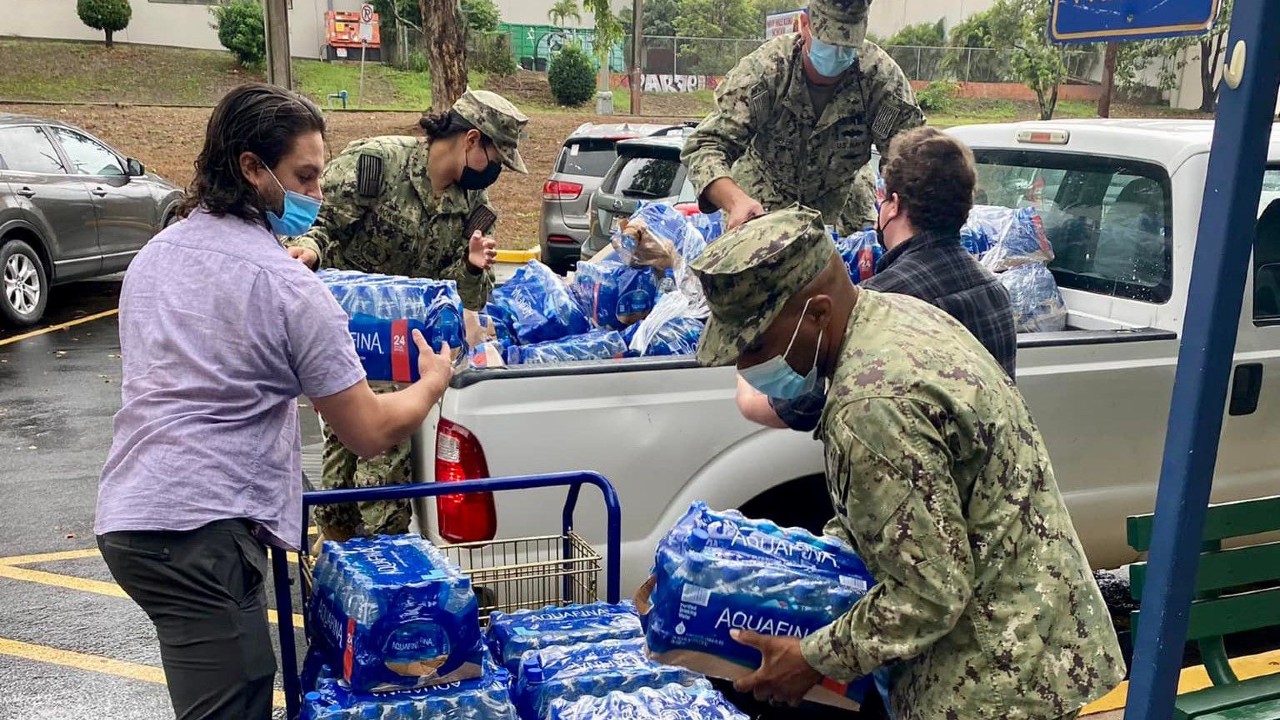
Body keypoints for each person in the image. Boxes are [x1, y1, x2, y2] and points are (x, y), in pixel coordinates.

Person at [95, 83, 455, 720]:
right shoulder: (288, 286)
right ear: (252, 169)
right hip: (198, 530)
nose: (316, 194)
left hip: (133, 510)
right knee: (235, 700)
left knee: (233, 680)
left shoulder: (154, 256)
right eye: (304, 176)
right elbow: (369, 430)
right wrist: (430, 385)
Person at [689, 206, 1125, 720]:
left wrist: (810, 659)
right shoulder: (895, 316)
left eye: (755, 345)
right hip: (1042, 637)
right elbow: (905, 514)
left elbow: (930, 592)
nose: (745, 366)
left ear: (819, 312)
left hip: (991, 682)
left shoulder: (871, 406)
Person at [283, 89, 528, 543]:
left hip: (405, 359)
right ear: (472, 140)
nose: (497, 171)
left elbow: (465, 297)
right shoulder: (375, 166)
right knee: (338, 470)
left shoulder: (475, 210)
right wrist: (311, 252)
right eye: (496, 158)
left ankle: (386, 571)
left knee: (386, 483)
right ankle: (337, 558)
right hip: (348, 337)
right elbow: (318, 226)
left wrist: (473, 266)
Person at [737, 127, 1017, 433]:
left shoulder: (876, 305)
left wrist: (745, 365)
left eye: (882, 200)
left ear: (893, 205)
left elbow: (796, 410)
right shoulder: (995, 292)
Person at [681, 0, 923, 236]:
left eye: (847, 45)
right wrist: (736, 202)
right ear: (804, 24)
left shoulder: (880, 80)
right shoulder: (767, 71)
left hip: (844, 204)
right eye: (828, 43)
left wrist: (899, 218)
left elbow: (911, 158)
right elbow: (706, 146)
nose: (837, 53)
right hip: (763, 202)